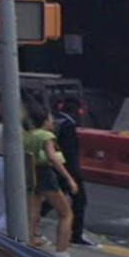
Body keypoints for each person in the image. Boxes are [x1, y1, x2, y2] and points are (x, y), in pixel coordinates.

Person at [23, 108, 80, 257]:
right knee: (66, 213)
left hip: (30, 173)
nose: (52, 122)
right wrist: (69, 179)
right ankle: (62, 252)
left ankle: (27, 249)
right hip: (45, 174)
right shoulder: (46, 136)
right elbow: (52, 157)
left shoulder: (25, 135)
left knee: (33, 215)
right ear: (44, 121)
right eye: (50, 119)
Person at [52, 97, 89, 245]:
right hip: (67, 168)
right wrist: (74, 174)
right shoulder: (69, 125)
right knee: (79, 201)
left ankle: (31, 223)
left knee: (52, 197)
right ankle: (76, 235)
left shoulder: (55, 120)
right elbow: (70, 152)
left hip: (55, 165)